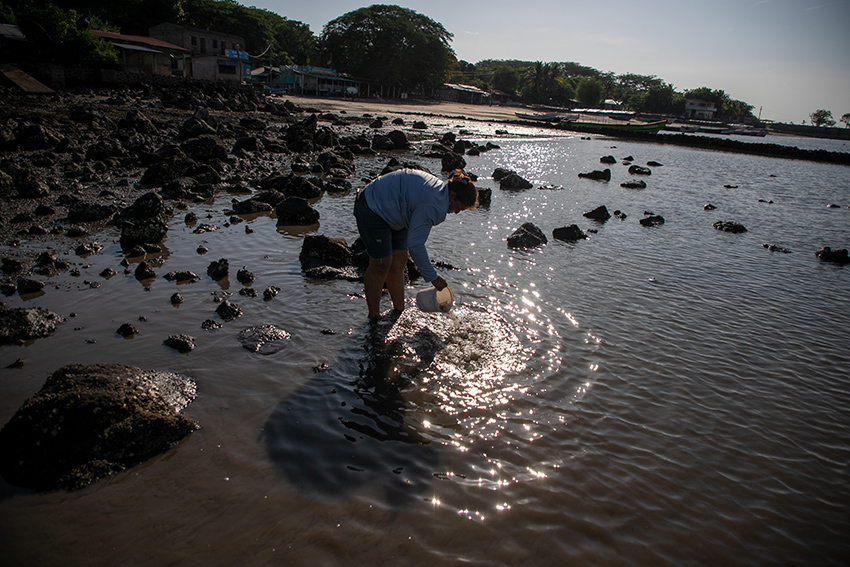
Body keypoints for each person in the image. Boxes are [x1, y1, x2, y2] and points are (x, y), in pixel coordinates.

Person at [353, 168, 478, 319]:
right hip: (373, 206)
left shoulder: (440, 193)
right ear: (452, 195)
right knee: (381, 263)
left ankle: (399, 312)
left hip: (399, 210)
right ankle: (373, 319)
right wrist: (433, 277)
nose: (456, 212)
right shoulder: (434, 204)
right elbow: (416, 245)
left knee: (399, 260)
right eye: (458, 208)